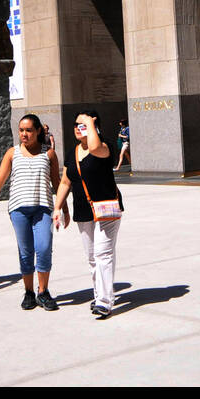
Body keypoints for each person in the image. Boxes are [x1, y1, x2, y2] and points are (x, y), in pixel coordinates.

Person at [0, 113, 67, 311]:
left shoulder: (49, 154)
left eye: (28, 130)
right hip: (19, 210)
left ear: (38, 131)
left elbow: (58, 183)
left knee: (44, 248)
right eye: (21, 130)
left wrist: (63, 209)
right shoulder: (13, 153)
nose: (24, 134)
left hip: (43, 209)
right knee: (26, 251)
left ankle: (43, 292)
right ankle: (29, 292)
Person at [53, 111, 124, 318]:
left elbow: (94, 147)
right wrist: (58, 207)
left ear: (94, 126)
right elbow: (66, 181)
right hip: (84, 211)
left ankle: (104, 301)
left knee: (103, 253)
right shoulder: (72, 152)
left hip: (106, 208)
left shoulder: (104, 146)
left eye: (82, 124)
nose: (78, 128)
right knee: (92, 257)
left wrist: (90, 123)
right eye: (76, 124)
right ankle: (99, 294)